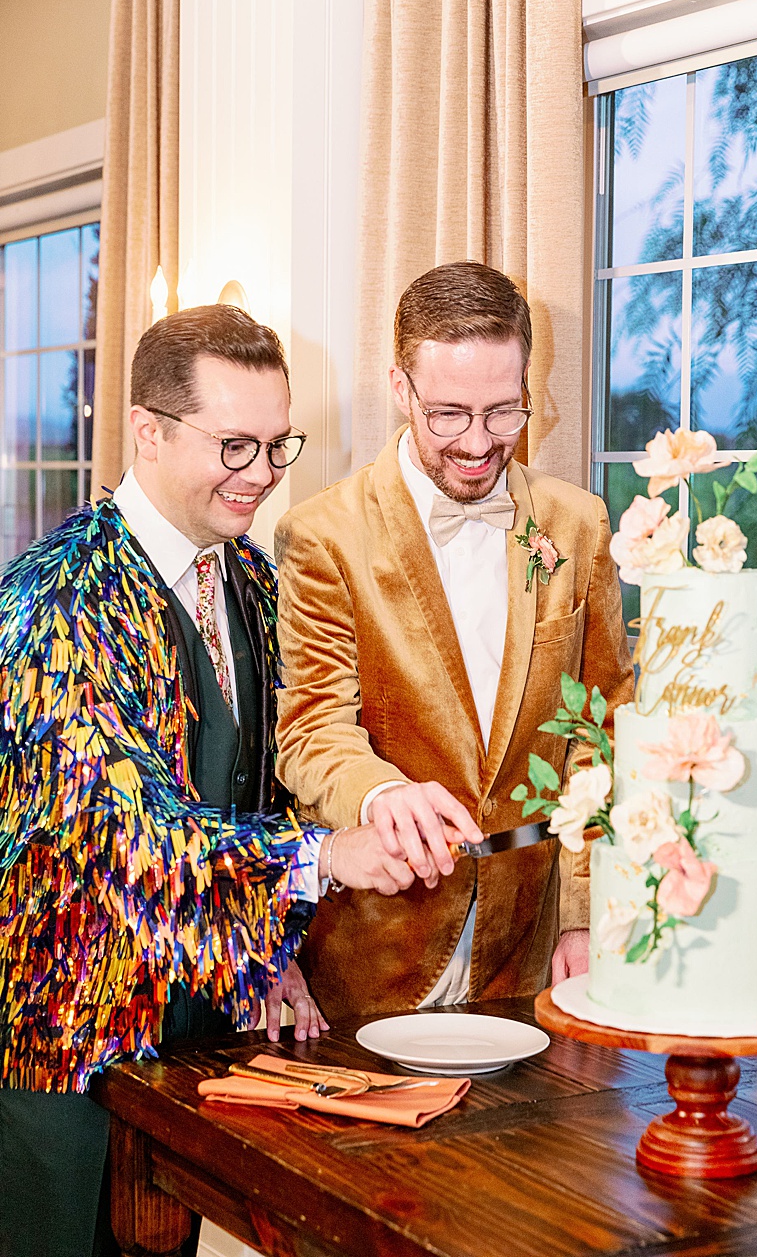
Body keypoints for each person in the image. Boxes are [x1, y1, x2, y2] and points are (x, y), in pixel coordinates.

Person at [0, 305, 442, 1257]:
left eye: (278, 444)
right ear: (147, 430)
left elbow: (261, 783)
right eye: (234, 444)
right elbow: (119, 837)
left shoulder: (246, 578)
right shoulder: (53, 597)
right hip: (70, 1045)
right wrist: (323, 859)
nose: (263, 475)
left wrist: (269, 947)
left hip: (200, 1034)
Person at [274, 261, 634, 1018]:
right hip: (369, 955)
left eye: (504, 412)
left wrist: (583, 907)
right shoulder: (321, 536)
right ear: (401, 388)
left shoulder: (578, 526)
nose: (478, 443)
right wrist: (380, 793)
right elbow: (312, 731)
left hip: (528, 948)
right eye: (448, 415)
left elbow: (600, 732)